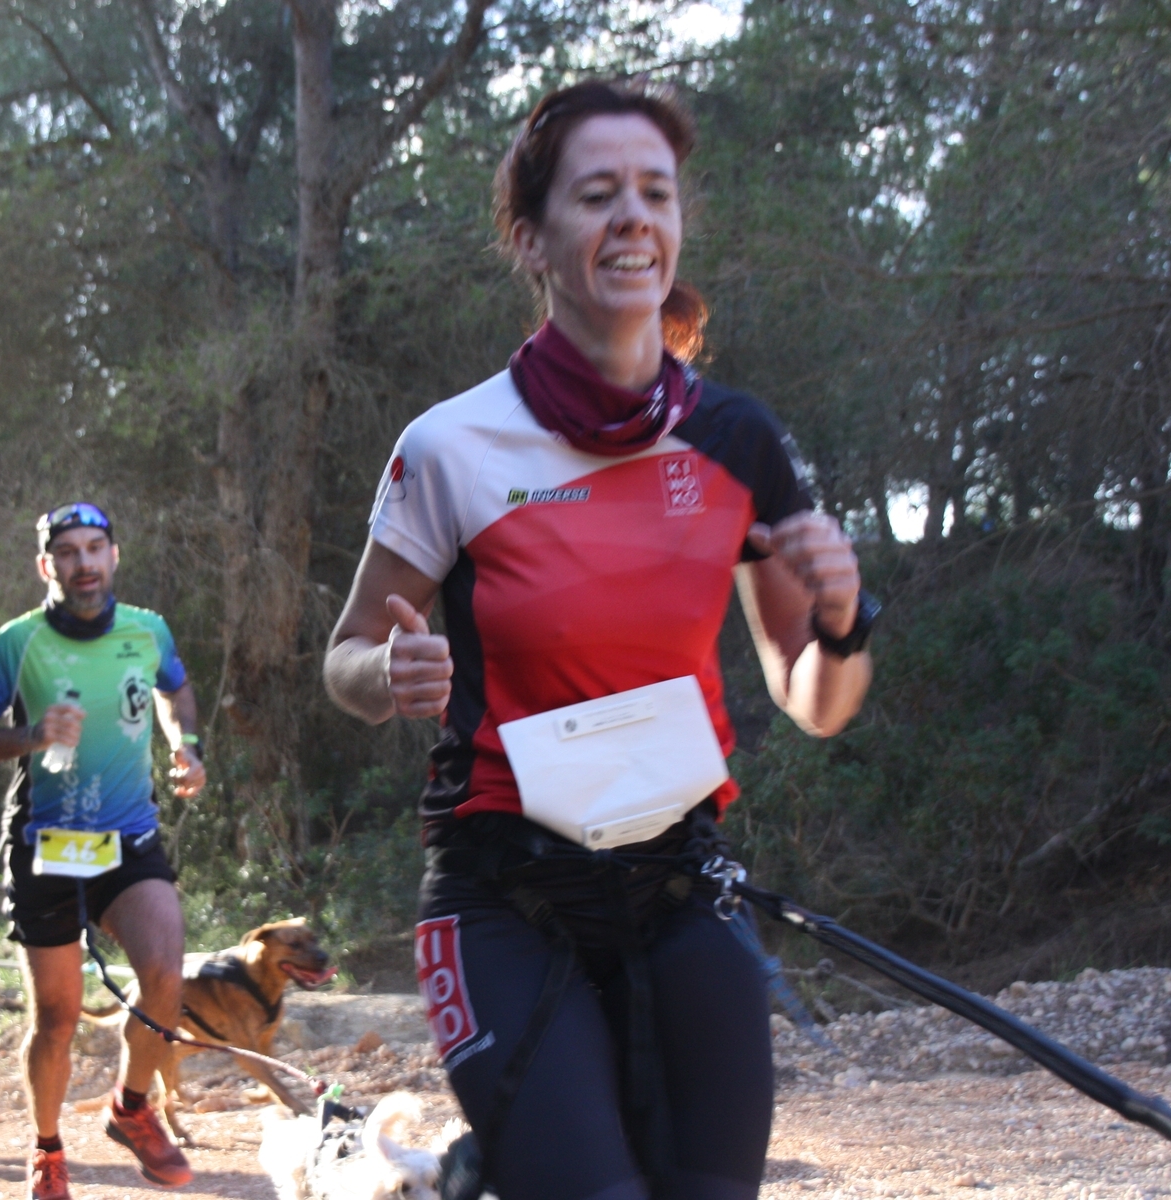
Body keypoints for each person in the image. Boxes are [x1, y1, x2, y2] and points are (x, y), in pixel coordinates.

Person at [324, 81, 875, 1200]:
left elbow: (815, 699)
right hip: (501, 900)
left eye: (655, 193)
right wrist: (388, 670)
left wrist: (844, 619)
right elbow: (343, 665)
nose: (634, 217)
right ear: (532, 239)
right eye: (598, 194)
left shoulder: (737, 438)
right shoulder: (451, 446)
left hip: (678, 885)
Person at [0, 501, 207, 1198]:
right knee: (56, 1018)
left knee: (166, 974)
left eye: (95, 548)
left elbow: (175, 688)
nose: (83, 562)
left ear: (114, 556)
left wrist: (186, 745)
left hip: (129, 838)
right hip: (47, 845)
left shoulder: (147, 630)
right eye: (68, 552)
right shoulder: (16, 642)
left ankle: (131, 1107)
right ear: (46, 566)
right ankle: (48, 1148)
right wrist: (32, 736)